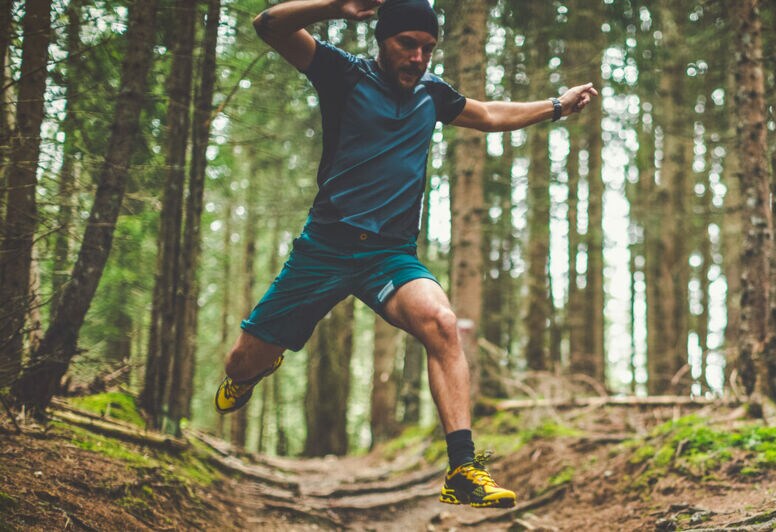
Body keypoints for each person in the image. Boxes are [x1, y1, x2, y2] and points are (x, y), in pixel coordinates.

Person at [214, 0, 597, 510]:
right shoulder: (342, 74)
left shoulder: (433, 94)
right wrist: (337, 5)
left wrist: (555, 106)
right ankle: (261, 364)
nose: (418, 57)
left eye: (428, 48)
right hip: (325, 248)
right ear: (381, 39)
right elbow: (269, 25)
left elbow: (485, 114)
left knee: (441, 321)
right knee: (241, 364)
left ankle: (462, 469)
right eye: (407, 44)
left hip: (390, 256)